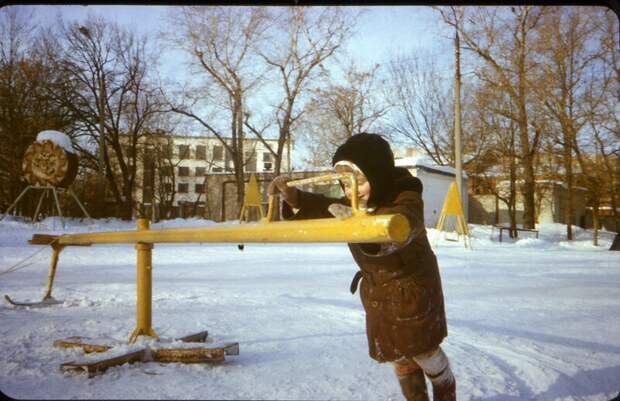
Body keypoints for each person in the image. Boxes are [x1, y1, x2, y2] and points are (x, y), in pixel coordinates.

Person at [268, 133, 456, 401]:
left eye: (360, 181)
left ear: (378, 175)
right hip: (378, 294)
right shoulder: (354, 202)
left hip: (411, 289)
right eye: (344, 184)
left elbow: (403, 225)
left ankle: (445, 386)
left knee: (424, 351)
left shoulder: (405, 197)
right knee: (398, 356)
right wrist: (293, 197)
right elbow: (323, 206)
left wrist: (363, 225)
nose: (351, 190)